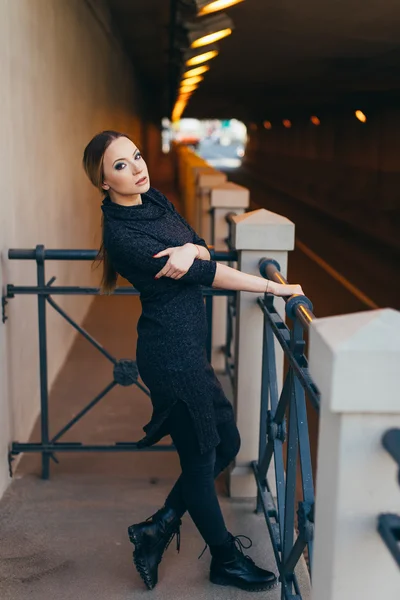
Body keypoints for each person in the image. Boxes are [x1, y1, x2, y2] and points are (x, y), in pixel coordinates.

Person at [82, 130, 304, 593]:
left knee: (226, 443)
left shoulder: (153, 199)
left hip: (188, 352)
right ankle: (224, 559)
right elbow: (211, 271)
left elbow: (200, 246)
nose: (137, 168)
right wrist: (276, 288)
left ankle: (158, 527)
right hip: (170, 357)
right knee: (203, 460)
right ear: (103, 181)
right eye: (120, 165)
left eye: (136, 156)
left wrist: (190, 248)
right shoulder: (125, 236)